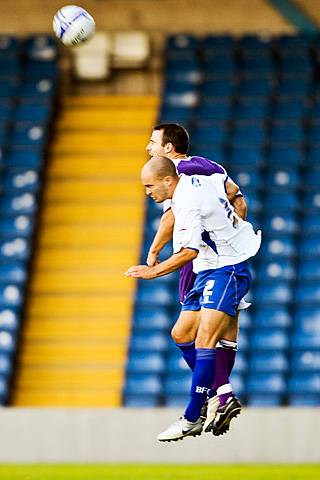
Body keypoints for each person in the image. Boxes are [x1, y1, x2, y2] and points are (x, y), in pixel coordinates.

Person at [125, 157, 261, 442]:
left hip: (228, 266)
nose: (148, 192)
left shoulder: (185, 201)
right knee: (181, 333)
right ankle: (221, 395)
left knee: (205, 339)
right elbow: (232, 190)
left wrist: (152, 272)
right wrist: (236, 220)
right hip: (211, 267)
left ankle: (192, 416)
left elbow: (189, 252)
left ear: (167, 180)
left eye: (149, 186)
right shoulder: (200, 177)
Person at [145, 123, 248, 435]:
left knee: (196, 334)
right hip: (223, 257)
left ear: (168, 147)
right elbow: (238, 200)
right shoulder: (211, 167)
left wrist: (154, 255)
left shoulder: (178, 174)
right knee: (203, 332)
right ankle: (220, 395)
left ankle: (211, 400)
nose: (148, 147)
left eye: (153, 142)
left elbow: (172, 217)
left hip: (203, 261)